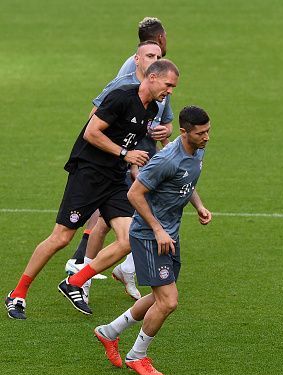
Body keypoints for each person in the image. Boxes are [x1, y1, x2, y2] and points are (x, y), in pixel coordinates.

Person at [4, 59, 179, 320]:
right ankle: (17, 294)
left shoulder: (151, 108)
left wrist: (136, 167)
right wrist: (125, 154)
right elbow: (91, 133)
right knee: (61, 238)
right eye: (169, 84)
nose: (170, 91)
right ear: (152, 78)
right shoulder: (120, 97)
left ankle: (75, 281)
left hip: (114, 180)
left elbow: (130, 144)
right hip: (88, 175)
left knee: (127, 239)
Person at [94, 106, 212, 375]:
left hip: (169, 234)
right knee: (168, 301)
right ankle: (137, 356)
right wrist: (158, 229)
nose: (206, 137)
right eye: (200, 133)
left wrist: (199, 206)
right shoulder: (167, 159)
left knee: (159, 297)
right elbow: (135, 194)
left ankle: (109, 332)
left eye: (208, 131)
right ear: (184, 132)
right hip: (150, 236)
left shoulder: (198, 150)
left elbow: (187, 182)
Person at [65, 17, 171, 300]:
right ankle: (80, 274)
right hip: (122, 157)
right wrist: (112, 151)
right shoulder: (130, 77)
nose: (155, 57)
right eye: (152, 54)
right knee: (103, 221)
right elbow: (97, 117)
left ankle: (87, 274)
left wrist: (165, 133)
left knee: (117, 220)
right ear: (158, 40)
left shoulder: (163, 77)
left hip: (138, 156)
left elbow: (164, 120)